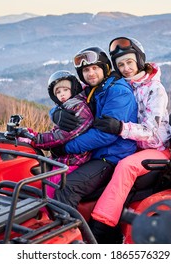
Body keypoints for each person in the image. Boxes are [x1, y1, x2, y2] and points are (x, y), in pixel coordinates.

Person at [90, 37, 171, 242]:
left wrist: (120, 128)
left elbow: (152, 133)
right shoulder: (125, 86)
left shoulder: (155, 90)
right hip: (133, 146)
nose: (126, 68)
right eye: (120, 65)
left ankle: (101, 227)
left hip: (157, 147)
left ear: (139, 60)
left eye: (129, 62)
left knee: (126, 166)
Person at [50, 47, 138, 242]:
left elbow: (105, 136)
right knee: (46, 174)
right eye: (85, 71)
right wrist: (56, 113)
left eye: (94, 69)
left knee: (66, 188)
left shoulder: (117, 91)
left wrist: (65, 147)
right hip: (94, 153)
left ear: (105, 68)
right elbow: (61, 98)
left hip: (111, 156)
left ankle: (68, 240)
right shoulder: (93, 88)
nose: (90, 74)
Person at [19, 70, 93, 198]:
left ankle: (48, 215)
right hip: (63, 158)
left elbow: (61, 135)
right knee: (31, 172)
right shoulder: (66, 108)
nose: (62, 94)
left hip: (74, 161)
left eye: (65, 90)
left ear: (73, 89)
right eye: (58, 92)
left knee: (50, 189)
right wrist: (32, 133)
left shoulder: (79, 108)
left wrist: (34, 139)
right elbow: (55, 131)